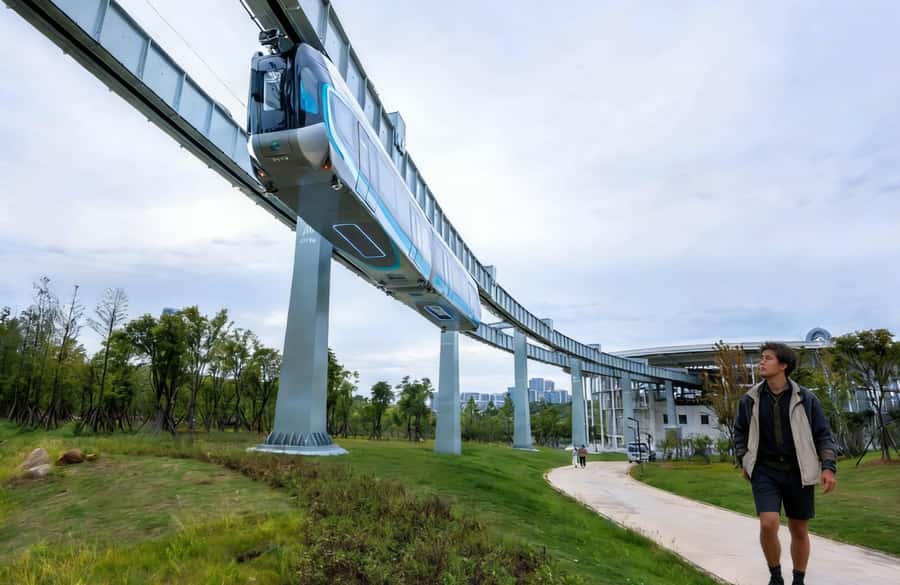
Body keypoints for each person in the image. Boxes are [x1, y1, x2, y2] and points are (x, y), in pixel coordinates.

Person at [733, 342, 837, 585]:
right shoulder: (750, 399)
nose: (761, 362)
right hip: (765, 470)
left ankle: (798, 580)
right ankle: (776, 577)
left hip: (798, 471)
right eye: (761, 357)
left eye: (767, 358)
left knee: (798, 528)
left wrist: (828, 467)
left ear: (783, 365)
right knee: (768, 524)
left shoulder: (806, 398)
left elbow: (823, 435)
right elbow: (739, 431)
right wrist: (744, 459)